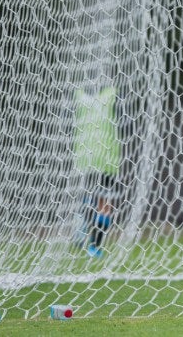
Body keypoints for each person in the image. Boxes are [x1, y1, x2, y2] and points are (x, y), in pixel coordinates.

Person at [72, 85, 121, 258]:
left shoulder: (78, 96)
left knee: (88, 196)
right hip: (108, 158)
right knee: (105, 204)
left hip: (84, 157)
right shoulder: (112, 94)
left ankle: (81, 224)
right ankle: (95, 246)